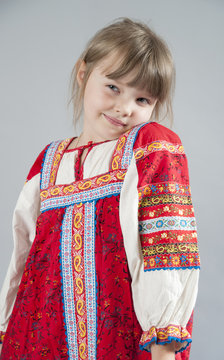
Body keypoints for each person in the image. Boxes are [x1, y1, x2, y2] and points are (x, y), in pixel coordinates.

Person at [0, 17, 200, 360]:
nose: (125, 108)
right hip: (38, 343)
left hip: (120, 341)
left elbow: (168, 249)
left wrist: (165, 349)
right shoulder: (48, 162)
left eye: (142, 100)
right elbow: (22, 257)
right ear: (83, 74)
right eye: (113, 88)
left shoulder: (151, 148)